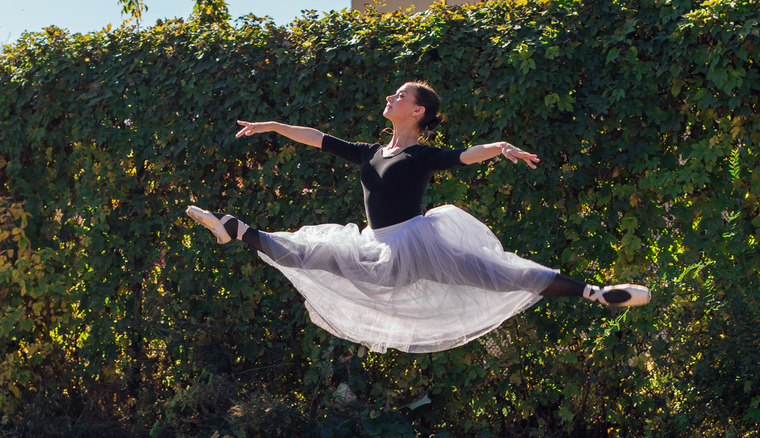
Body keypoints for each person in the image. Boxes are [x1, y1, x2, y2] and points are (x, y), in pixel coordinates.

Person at [187, 82, 650, 353]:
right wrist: (272, 125)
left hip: (416, 244)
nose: (391, 97)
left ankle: (594, 292)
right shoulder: (371, 151)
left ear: (418, 110)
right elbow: (318, 137)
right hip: (375, 245)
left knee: (497, 273)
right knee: (309, 253)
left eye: (400, 95)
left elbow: (465, 155)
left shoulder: (422, 155)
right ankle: (235, 229)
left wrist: (501, 147)